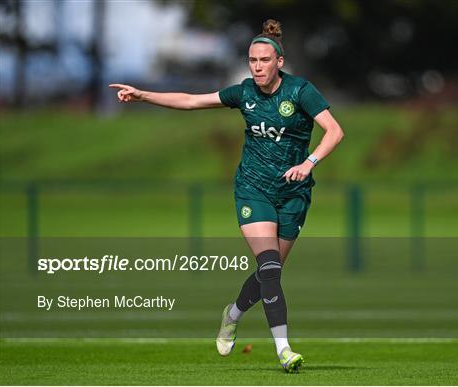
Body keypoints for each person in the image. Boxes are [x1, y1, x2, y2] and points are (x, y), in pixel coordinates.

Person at [109, 19, 344, 373]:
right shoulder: (243, 93)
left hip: (294, 193)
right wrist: (143, 94)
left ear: (279, 62)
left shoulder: (300, 91)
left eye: (264, 60)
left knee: (271, 272)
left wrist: (309, 163)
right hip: (253, 188)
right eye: (252, 60)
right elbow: (189, 101)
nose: (258, 66)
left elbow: (334, 131)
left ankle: (232, 313)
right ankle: (284, 350)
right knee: (269, 267)